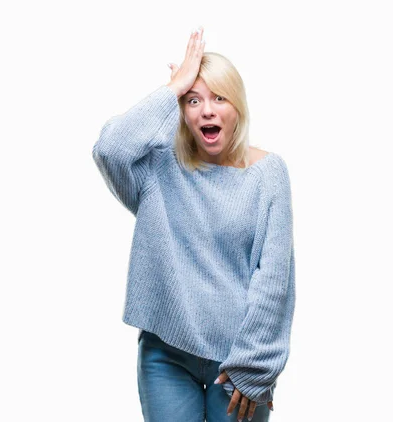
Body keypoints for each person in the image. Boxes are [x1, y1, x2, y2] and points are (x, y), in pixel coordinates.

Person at [91, 27, 296, 422]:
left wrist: (255, 368)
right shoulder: (159, 167)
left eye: (219, 98)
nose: (207, 110)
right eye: (193, 100)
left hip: (238, 360)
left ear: (238, 106)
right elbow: (110, 149)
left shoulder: (268, 174)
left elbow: (274, 281)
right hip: (165, 355)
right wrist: (172, 89)